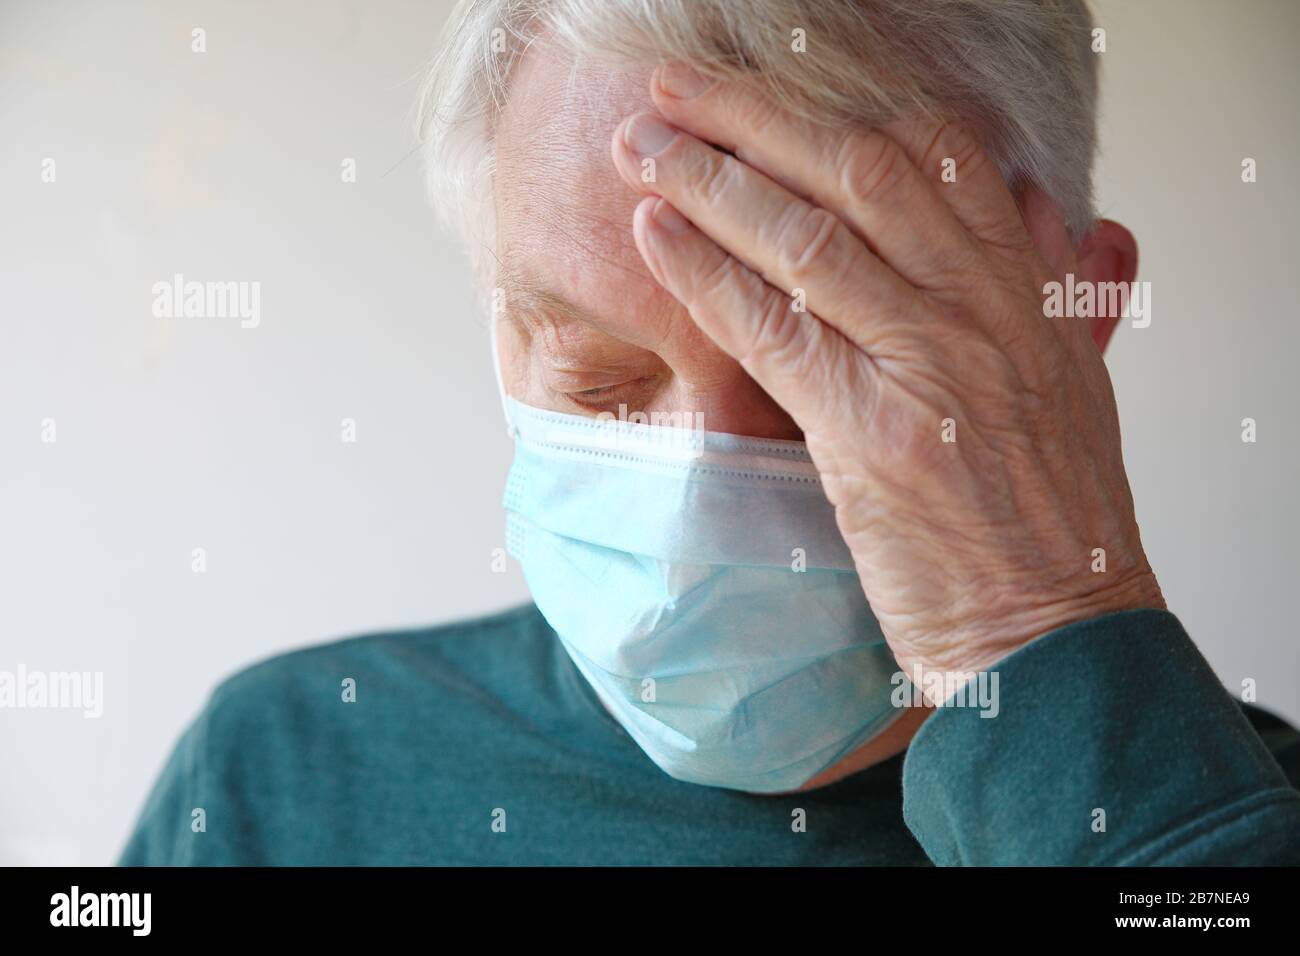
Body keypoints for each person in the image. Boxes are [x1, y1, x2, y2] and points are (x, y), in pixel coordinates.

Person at [119, 0, 1300, 866]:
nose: (695, 513)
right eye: (599, 380)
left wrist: (1039, 626)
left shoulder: (1213, 819)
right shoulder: (281, 775)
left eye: (814, 381)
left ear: (1070, 314)